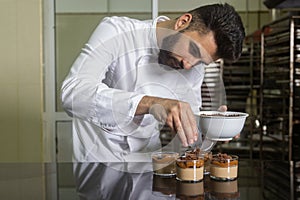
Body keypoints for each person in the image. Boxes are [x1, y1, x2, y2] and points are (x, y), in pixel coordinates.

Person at [61, 3, 245, 162]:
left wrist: (211, 126)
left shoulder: (192, 67)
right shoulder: (117, 31)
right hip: (100, 159)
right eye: (194, 51)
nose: (189, 65)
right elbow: (73, 94)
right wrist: (151, 103)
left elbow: (189, 123)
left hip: (148, 161)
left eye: (201, 62)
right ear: (183, 22)